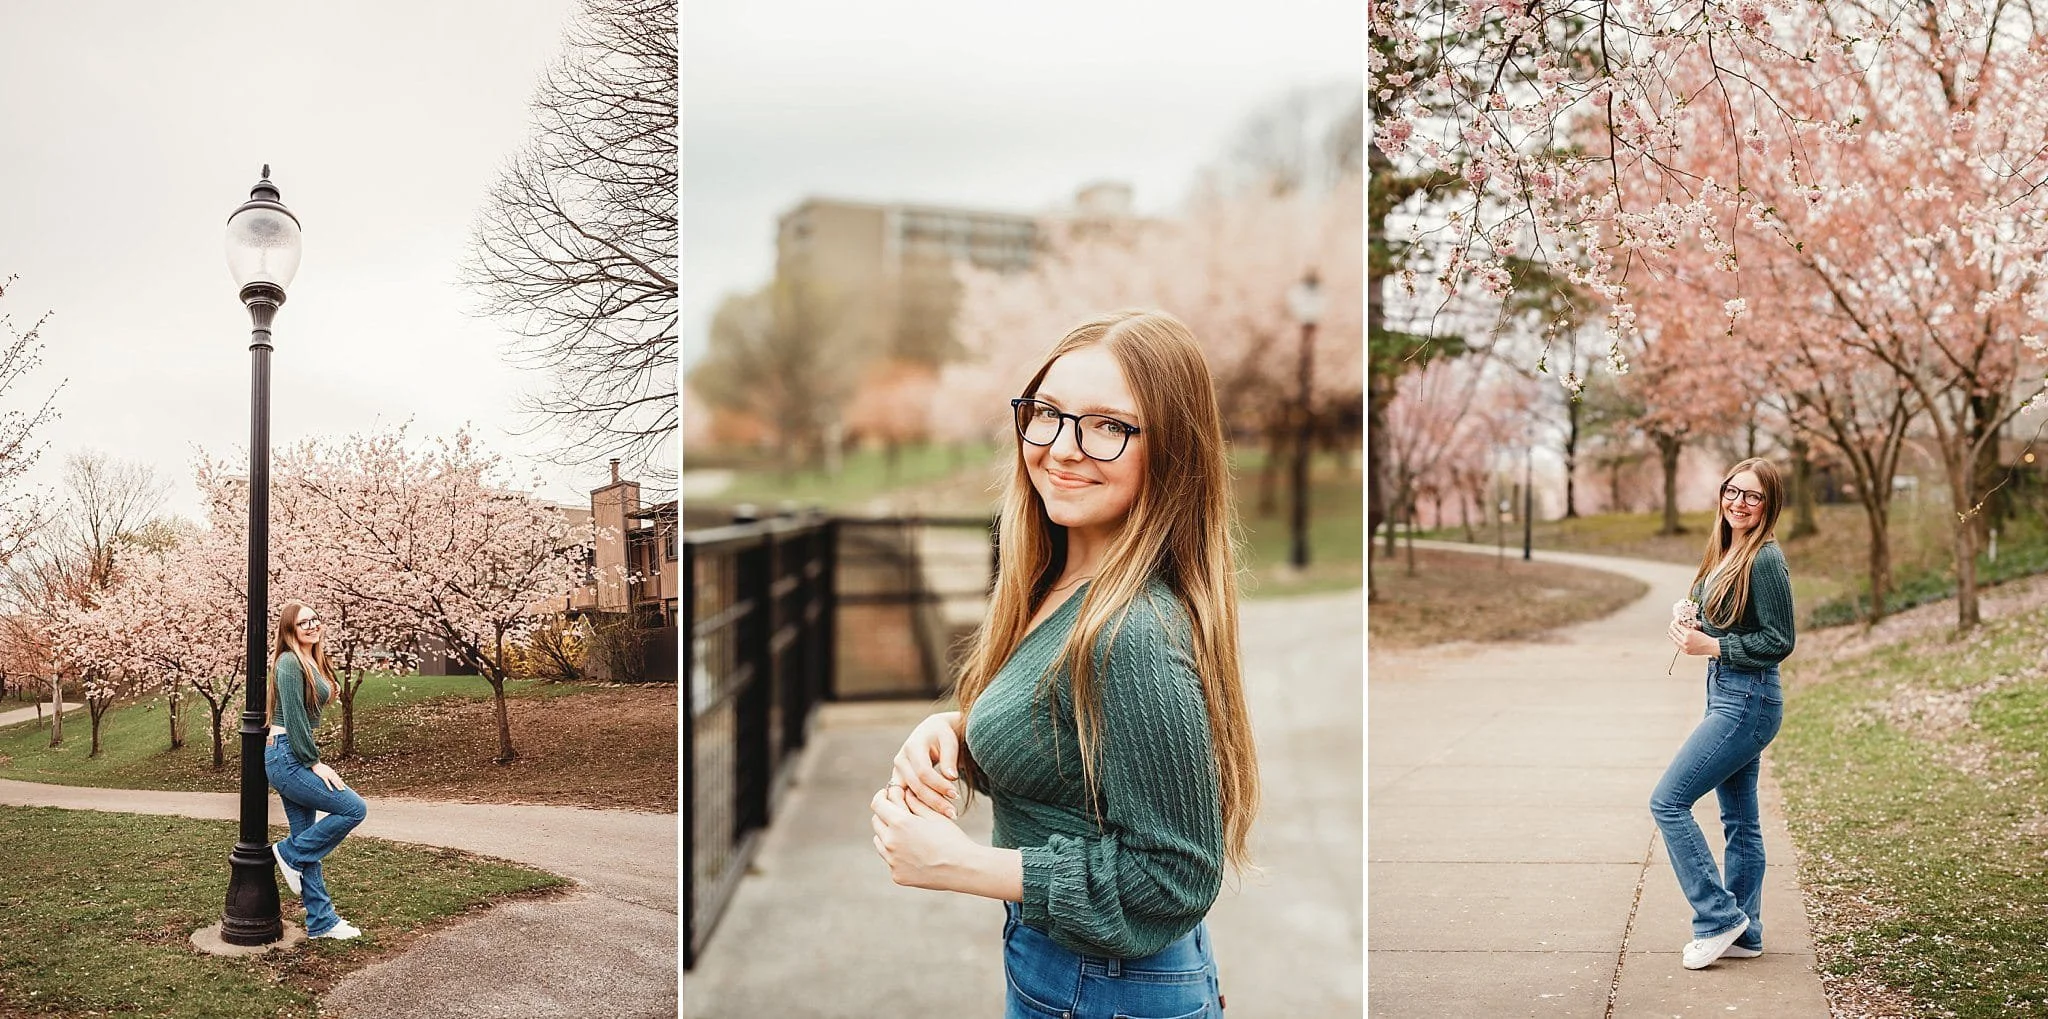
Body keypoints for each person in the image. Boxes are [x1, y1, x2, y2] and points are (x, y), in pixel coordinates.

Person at [870, 310, 1259, 1019]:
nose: (1063, 448)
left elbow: (1175, 874)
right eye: (1047, 413)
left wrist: (957, 864)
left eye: (1109, 425)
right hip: (1072, 970)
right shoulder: (1058, 582)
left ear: (1172, 450)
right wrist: (958, 732)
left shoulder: (1135, 631)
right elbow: (1074, 753)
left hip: (1110, 987)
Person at [1656, 457, 1795, 969]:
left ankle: (1718, 918)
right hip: (1728, 695)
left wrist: (1710, 647)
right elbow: (1719, 609)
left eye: (1753, 496)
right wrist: (1689, 612)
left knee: (1668, 802)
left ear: (1769, 504)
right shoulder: (1728, 548)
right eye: (1732, 491)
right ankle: (1747, 931)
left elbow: (1780, 641)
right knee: (1739, 820)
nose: (1739, 503)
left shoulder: (1766, 559)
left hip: (1749, 701)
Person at [265, 600, 368, 940]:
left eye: (314, 619)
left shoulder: (311, 660)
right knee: (353, 808)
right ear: (290, 630)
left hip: (291, 753)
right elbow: (294, 718)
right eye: (302, 622)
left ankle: (322, 921)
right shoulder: (288, 662)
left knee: (308, 841)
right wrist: (314, 761)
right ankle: (288, 854)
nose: (311, 625)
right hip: (287, 756)